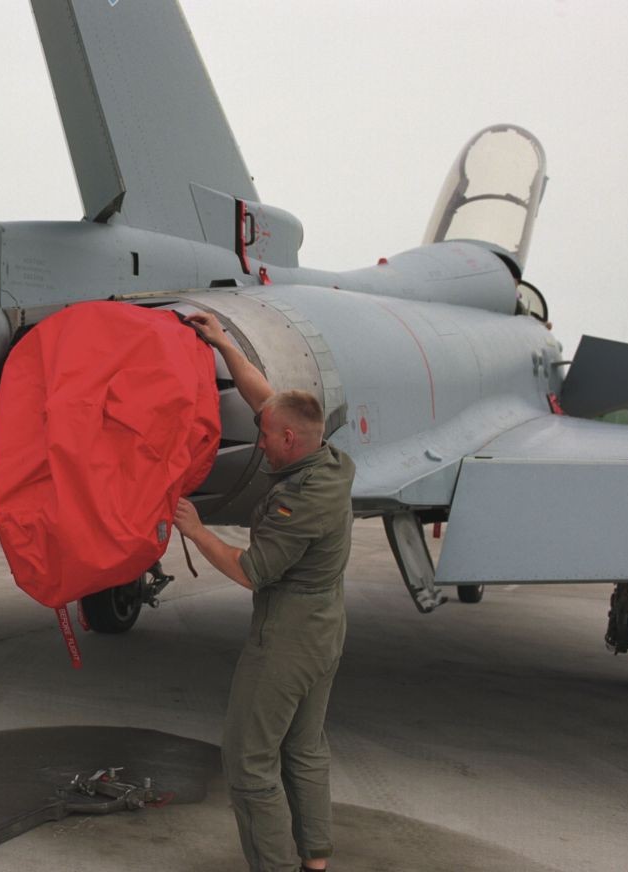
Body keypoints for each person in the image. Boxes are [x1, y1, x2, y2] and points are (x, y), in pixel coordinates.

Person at [174, 312, 355, 872]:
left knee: (248, 763)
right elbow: (266, 399)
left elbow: (251, 570)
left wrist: (196, 530)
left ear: (290, 439)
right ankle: (315, 859)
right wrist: (222, 341)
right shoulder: (325, 457)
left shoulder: (298, 501)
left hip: (289, 637)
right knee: (303, 748)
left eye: (266, 437)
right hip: (325, 626)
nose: (259, 442)